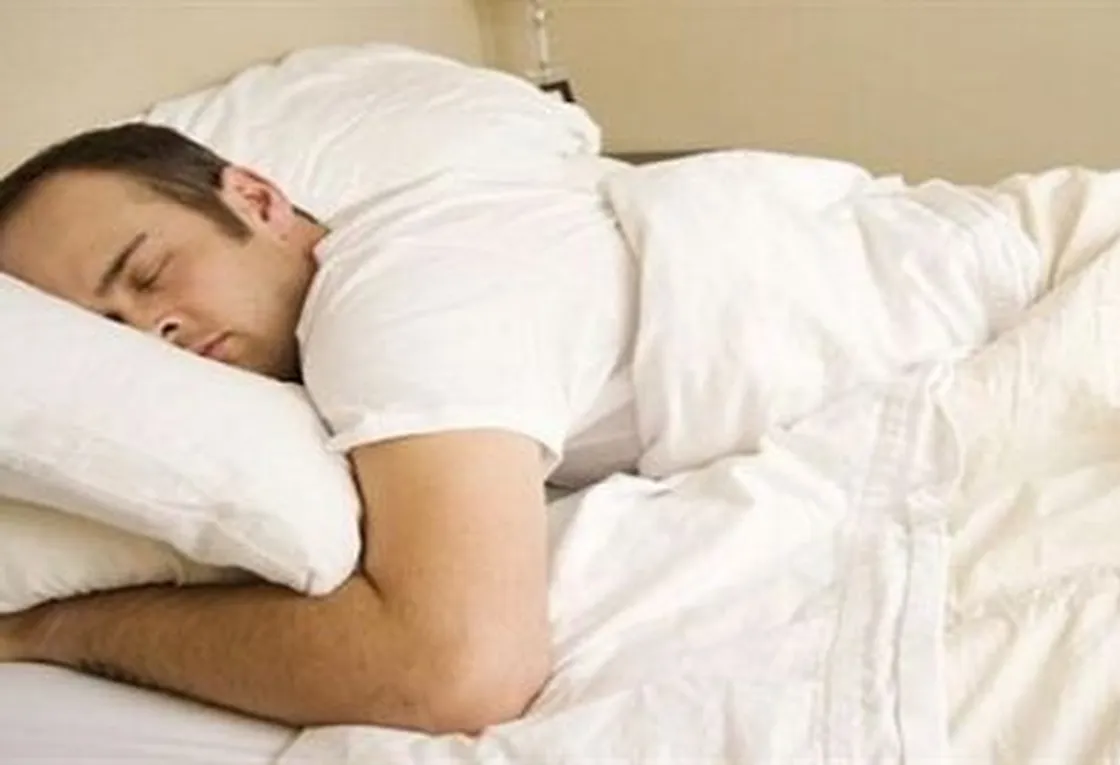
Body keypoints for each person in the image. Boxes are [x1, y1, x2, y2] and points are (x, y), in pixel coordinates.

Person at [0, 124, 643, 734]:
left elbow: (455, 671)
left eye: (148, 274)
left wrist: (58, 629)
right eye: (108, 333)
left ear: (256, 200)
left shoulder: (395, 296)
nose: (150, 332)